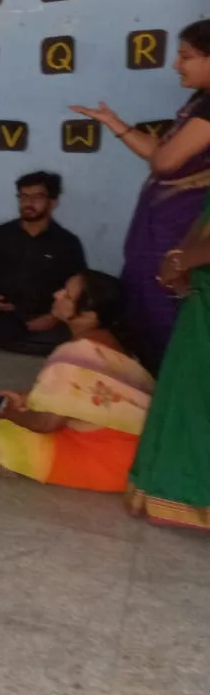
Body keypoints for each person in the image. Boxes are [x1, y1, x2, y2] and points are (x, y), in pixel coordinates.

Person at [71, 19, 210, 371]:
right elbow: (159, 154)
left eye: (186, 56)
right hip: (159, 230)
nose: (176, 65)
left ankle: (165, 402)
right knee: (143, 314)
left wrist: (160, 155)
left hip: (179, 233)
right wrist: (116, 125)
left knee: (166, 320)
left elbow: (165, 162)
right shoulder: (199, 101)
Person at [0, 271, 153, 493]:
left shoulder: (77, 353)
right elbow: (79, 399)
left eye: (67, 295)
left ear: (89, 316)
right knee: (14, 412)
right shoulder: (121, 348)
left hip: (108, 462)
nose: (57, 294)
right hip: (137, 456)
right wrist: (24, 398)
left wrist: (7, 413)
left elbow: (46, 424)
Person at [127, 189, 210, 525]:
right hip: (201, 297)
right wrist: (178, 259)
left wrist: (180, 261)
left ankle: (193, 496)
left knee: (197, 398)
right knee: (186, 393)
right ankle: (173, 492)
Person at [0, 172, 87, 355]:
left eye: (37, 197)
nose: (28, 202)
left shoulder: (67, 242)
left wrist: (52, 317)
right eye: (23, 196)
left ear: (53, 202)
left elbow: (78, 288)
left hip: (45, 315)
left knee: (67, 334)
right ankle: (16, 340)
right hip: (4, 313)